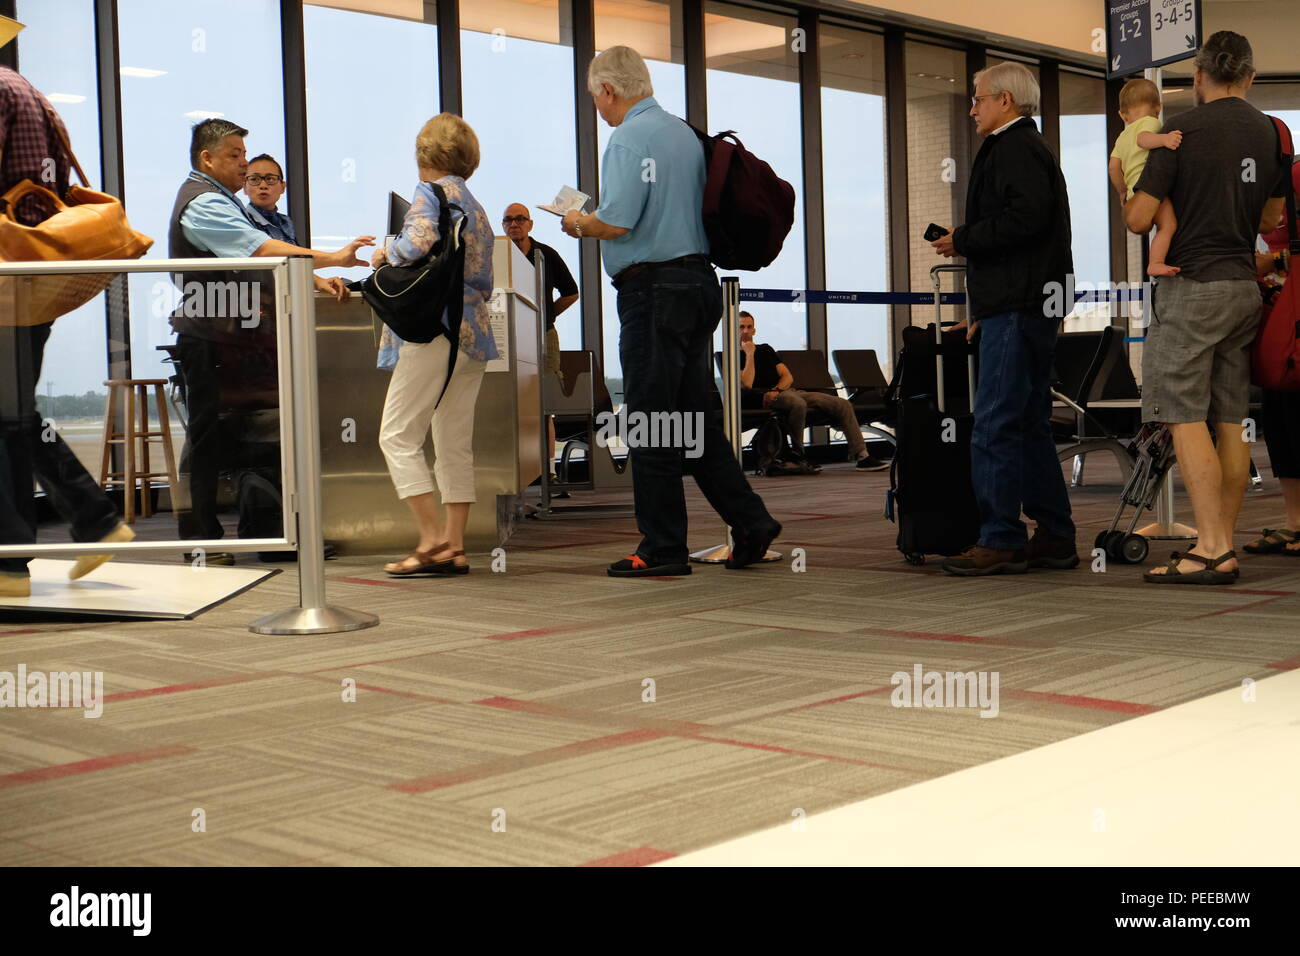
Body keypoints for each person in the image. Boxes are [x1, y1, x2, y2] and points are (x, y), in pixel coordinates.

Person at [561, 45, 779, 577]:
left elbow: (618, 222)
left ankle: (662, 547)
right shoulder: (684, 133)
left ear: (608, 90)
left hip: (652, 291)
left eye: (596, 98)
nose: (598, 108)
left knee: (651, 420)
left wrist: (577, 222)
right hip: (697, 285)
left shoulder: (627, 138)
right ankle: (751, 523)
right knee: (695, 423)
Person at [1124, 31, 1288, 585]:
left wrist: (1125, 183)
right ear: (1250, 78)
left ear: (1198, 77)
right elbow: (1268, 222)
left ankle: (1212, 547)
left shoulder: (1179, 132)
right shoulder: (1270, 133)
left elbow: (1139, 219)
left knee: (1181, 412)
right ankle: (1222, 541)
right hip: (1243, 288)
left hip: (1193, 288)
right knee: (1230, 419)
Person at [168, 118, 370, 562]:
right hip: (210, 336)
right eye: (236, 157)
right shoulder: (202, 203)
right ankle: (200, 540)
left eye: (247, 157)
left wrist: (314, 279)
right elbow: (256, 250)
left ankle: (272, 532)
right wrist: (333, 257)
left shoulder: (221, 199)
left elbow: (258, 260)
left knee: (251, 433)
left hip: (233, 337)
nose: (244, 166)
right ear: (207, 158)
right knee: (208, 439)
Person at [0, 14, 132, 598]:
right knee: (13, 414)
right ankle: (95, 520)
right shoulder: (30, 92)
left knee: (6, 417)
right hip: (39, 272)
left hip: (8, 275)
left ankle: (10, 562)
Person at [931, 60, 1077, 577]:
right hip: (1022, 303)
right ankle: (1055, 536)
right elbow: (1034, 225)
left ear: (1005, 102)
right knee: (1029, 422)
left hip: (1019, 303)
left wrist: (964, 239)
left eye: (978, 98)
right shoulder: (1028, 146)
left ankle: (1001, 537)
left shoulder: (1014, 147)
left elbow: (1026, 219)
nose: (972, 107)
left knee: (994, 421)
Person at [376, 113, 497, 577]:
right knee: (453, 442)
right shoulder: (476, 205)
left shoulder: (430, 193)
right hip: (472, 334)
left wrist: (386, 252)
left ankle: (431, 540)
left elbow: (419, 240)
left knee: (397, 435)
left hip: (434, 329)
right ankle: (456, 546)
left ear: (425, 154)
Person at [738, 311, 889, 471]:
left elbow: (787, 376)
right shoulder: (732, 355)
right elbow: (746, 384)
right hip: (761, 397)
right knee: (798, 403)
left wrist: (777, 389)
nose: (746, 331)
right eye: (741, 327)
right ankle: (799, 455)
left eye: (749, 327)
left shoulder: (766, 349)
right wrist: (749, 354)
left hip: (785, 392)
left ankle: (862, 455)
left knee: (841, 403)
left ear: (754, 330)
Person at [1244, 143, 1300, 557]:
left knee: (1292, 416)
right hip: (1276, 308)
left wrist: (1275, 262)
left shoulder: (1293, 177)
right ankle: (1295, 522)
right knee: (1280, 419)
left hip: (1293, 308)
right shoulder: (1274, 178)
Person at [502, 202, 578, 482]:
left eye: (520, 219)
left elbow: (571, 292)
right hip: (509, 339)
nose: (514, 224)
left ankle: (549, 469)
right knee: (512, 400)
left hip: (543, 335)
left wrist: (545, 315)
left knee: (543, 401)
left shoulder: (546, 254)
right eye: (508, 220)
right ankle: (516, 465)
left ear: (530, 224)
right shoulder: (498, 256)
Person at [1109, 78, 1184, 276]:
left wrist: (1122, 190)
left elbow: (1113, 167)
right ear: (1158, 107)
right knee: (1168, 225)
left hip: (1134, 191)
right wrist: (1164, 139)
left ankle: (1155, 261)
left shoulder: (1122, 137)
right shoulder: (1151, 121)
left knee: (1159, 225)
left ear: (1123, 115)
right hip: (1151, 188)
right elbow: (1144, 140)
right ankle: (1156, 262)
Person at [242, 154, 297, 243]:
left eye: (270, 179)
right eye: (254, 179)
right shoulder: (241, 221)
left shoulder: (285, 222)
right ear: (244, 187)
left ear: (283, 187)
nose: (263, 186)